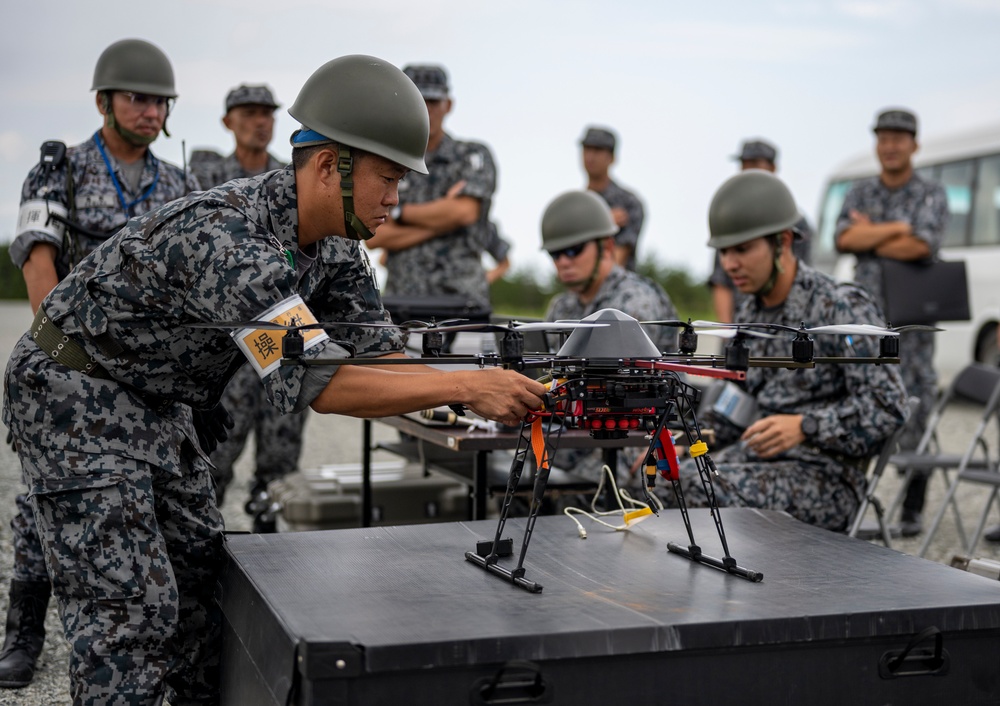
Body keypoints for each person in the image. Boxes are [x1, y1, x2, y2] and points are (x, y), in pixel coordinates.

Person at [2, 54, 545, 704]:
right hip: (71, 389)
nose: (397, 200)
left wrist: (488, 389)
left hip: (158, 399)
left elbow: (379, 358)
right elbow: (326, 385)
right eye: (388, 177)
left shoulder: (339, 247)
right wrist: (467, 387)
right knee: (130, 609)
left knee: (206, 585)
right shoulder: (230, 240)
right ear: (327, 167)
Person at [1, 37, 198, 691]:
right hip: (73, 366)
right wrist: (62, 356)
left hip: (150, 377)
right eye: (136, 98)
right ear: (103, 101)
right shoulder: (58, 169)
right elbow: (38, 261)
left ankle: (156, 642)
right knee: (42, 503)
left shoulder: (180, 183)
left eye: (158, 101)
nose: (149, 111)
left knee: (157, 500)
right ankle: (22, 636)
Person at [662, 170, 908, 532]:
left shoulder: (839, 307)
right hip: (758, 462)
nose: (729, 264)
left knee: (692, 485)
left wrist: (805, 427)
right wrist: (682, 443)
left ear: (784, 241)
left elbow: (888, 406)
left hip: (827, 479)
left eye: (742, 249)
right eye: (724, 252)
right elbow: (736, 402)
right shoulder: (751, 314)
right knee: (661, 472)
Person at [191, 83, 306, 530]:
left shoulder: (292, 178)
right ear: (228, 121)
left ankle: (269, 543)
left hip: (285, 330)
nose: (260, 121)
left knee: (280, 459)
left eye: (267, 113)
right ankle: (200, 544)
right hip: (229, 344)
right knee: (214, 458)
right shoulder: (206, 176)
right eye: (249, 113)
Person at [835, 108, 949, 537]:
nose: (890, 146)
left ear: (914, 145)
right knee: (859, 399)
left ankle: (912, 505)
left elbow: (923, 245)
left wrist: (874, 235)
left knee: (916, 404)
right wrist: (897, 229)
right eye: (883, 138)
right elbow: (843, 239)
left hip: (912, 325)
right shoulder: (859, 191)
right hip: (865, 321)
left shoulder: (931, 192)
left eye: (899, 138)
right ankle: (853, 496)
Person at [541, 189, 679, 488]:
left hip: (635, 433)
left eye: (574, 249)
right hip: (579, 428)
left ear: (607, 246)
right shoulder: (561, 307)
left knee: (580, 479)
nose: (563, 260)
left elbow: (623, 396)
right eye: (555, 253)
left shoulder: (633, 303)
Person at [366, 63, 499, 312]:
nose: (426, 110)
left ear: (448, 105)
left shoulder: (471, 156)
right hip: (401, 305)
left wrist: (399, 214)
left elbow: (464, 213)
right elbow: (375, 237)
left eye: (432, 101)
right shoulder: (383, 161)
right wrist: (444, 223)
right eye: (417, 101)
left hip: (462, 304)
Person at [708, 139, 813, 322]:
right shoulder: (729, 216)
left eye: (755, 164)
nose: (749, 171)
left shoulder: (793, 220)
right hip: (742, 322)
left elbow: (798, 276)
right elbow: (721, 282)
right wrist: (727, 330)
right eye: (744, 165)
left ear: (773, 168)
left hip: (789, 321)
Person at [579, 126, 645, 271]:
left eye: (597, 151)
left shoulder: (628, 203)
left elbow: (614, 264)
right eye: (587, 149)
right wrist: (602, 223)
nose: (590, 156)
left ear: (612, 158)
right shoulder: (575, 205)